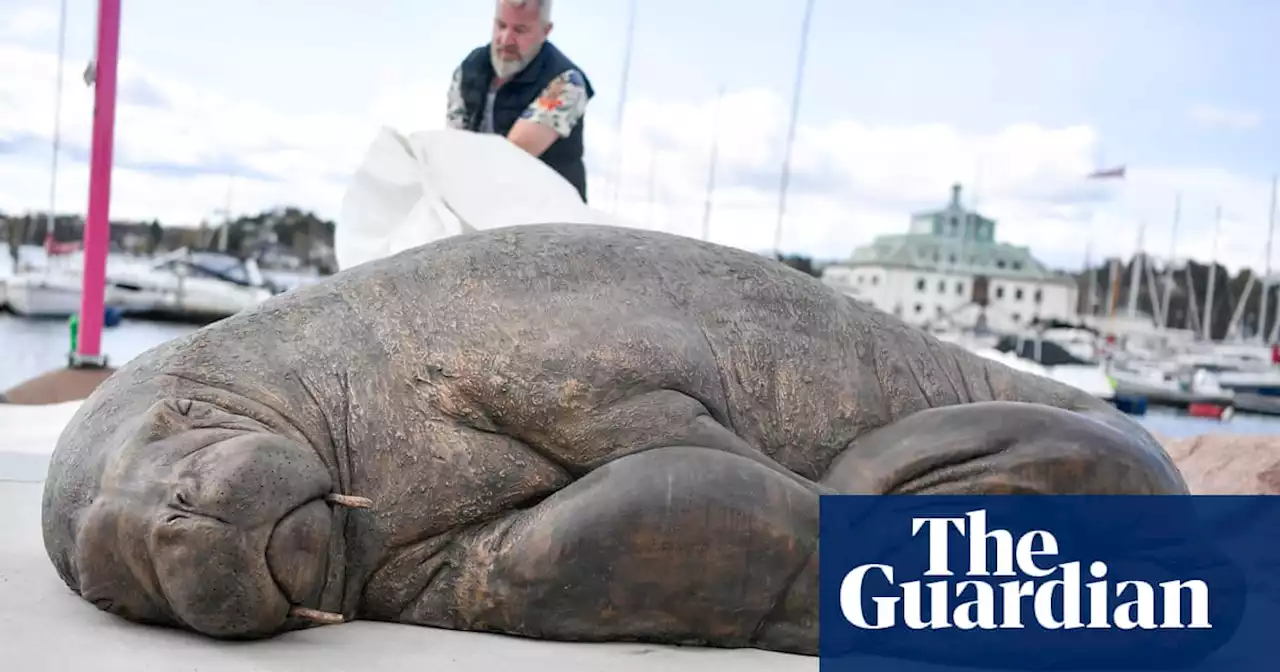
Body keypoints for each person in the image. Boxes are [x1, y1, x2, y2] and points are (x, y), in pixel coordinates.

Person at [445, 0, 595, 202]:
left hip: (550, 215)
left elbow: (513, 157)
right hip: (481, 203)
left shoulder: (567, 82)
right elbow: (454, 145)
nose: (506, 39)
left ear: (545, 31)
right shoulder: (470, 68)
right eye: (501, 25)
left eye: (520, 30)